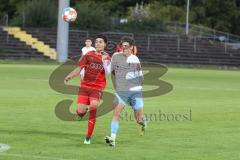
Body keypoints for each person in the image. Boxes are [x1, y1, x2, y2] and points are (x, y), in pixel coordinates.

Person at [65, 34, 111, 145]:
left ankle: (88, 137)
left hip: (97, 88)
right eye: (96, 42)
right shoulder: (89, 54)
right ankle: (82, 112)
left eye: (100, 42)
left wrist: (104, 61)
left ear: (105, 44)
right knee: (80, 112)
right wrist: (70, 76)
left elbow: (108, 73)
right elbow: (80, 68)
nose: (98, 44)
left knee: (93, 107)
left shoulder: (108, 58)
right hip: (85, 87)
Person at [105, 36, 146, 147]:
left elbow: (141, 78)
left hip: (135, 91)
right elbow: (111, 71)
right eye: (123, 45)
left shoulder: (135, 60)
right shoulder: (116, 56)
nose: (124, 47)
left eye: (126, 45)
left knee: (138, 119)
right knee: (116, 114)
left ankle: (143, 123)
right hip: (122, 91)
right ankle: (112, 138)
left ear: (132, 47)